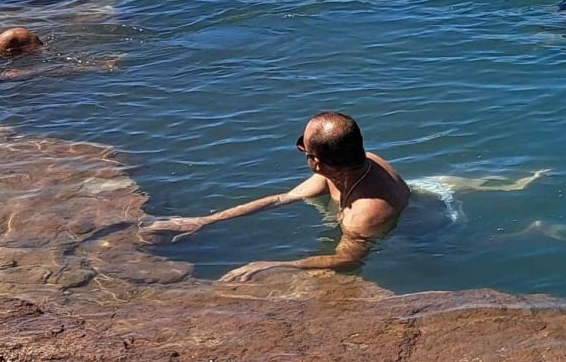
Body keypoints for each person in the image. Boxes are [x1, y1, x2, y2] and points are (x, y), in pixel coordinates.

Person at [139, 111, 411, 281]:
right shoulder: (351, 167)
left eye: (301, 148)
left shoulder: (363, 216)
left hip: (415, 231)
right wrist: (202, 221)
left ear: (316, 162)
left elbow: (348, 260)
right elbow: (281, 199)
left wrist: (278, 265)